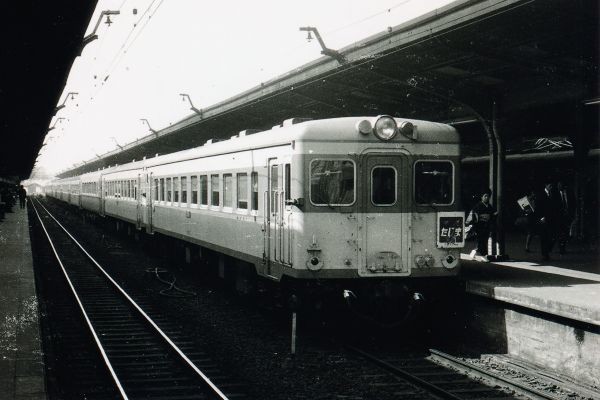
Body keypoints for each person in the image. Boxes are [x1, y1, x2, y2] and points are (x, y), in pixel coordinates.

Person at [537, 181, 561, 261]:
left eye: (552, 185)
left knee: (552, 236)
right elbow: (538, 207)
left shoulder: (553, 194)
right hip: (543, 219)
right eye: (550, 185)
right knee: (544, 237)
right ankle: (545, 254)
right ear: (546, 185)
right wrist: (541, 217)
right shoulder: (540, 194)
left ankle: (547, 250)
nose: (551, 187)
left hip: (552, 218)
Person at [469, 188, 496, 257]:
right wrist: (474, 227)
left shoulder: (489, 207)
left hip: (486, 226)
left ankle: (474, 252)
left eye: (488, 196)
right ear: (482, 197)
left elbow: (492, 215)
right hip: (479, 226)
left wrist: (494, 215)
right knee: (482, 241)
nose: (487, 198)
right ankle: (484, 255)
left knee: (483, 241)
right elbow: (474, 217)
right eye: (485, 196)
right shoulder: (478, 206)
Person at [556, 181, 572, 254]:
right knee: (560, 233)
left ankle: (563, 247)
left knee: (565, 233)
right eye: (558, 185)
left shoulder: (569, 193)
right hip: (559, 217)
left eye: (560, 185)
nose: (559, 187)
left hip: (567, 216)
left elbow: (573, 204)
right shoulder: (556, 195)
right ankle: (561, 249)